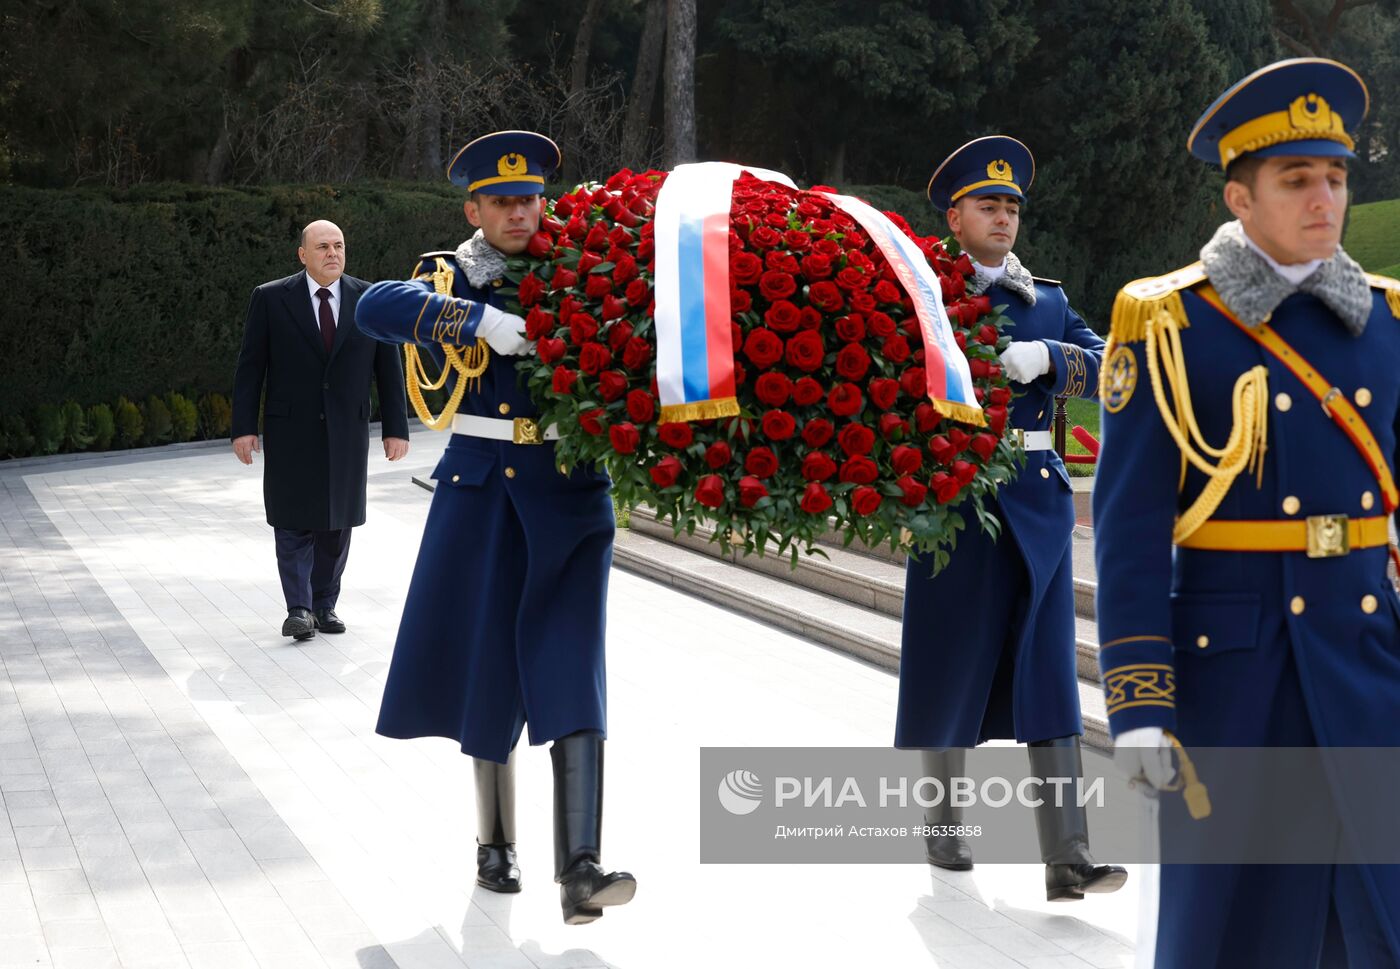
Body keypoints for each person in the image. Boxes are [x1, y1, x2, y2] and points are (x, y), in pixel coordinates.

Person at [1095, 58, 1400, 967]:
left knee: (1372, 907)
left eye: (1337, 178)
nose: (1325, 199)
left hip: (1364, 661)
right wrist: (1139, 705)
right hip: (1233, 680)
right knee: (1234, 922)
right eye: (1297, 180)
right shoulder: (1169, 323)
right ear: (1240, 196)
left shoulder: (1386, 324)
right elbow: (1132, 534)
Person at [355, 131, 635, 925]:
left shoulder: (587, 272)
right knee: (488, 667)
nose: (521, 211)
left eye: (531, 197)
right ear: (473, 208)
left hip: (574, 491)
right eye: (503, 200)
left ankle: (580, 865)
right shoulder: (452, 275)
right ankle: (495, 841)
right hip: (483, 492)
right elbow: (376, 308)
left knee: (574, 663)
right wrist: (473, 320)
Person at [898, 136, 1125, 902]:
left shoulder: (1049, 300)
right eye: (987, 205)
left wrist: (1054, 359)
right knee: (950, 660)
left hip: (1035, 500)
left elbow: (1115, 366)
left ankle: (1068, 854)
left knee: (1050, 674)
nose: (1003, 217)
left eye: (1011, 207)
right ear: (954, 216)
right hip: (955, 497)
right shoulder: (920, 290)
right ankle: (943, 826)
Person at [231, 220, 410, 642]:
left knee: (337, 522)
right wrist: (243, 428)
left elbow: (389, 368)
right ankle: (298, 608)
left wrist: (396, 427)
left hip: (347, 428)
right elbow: (250, 367)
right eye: (323, 247)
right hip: (290, 428)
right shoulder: (271, 298)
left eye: (339, 246)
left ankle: (324, 603)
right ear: (303, 254)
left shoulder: (369, 299)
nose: (332, 253)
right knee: (292, 519)